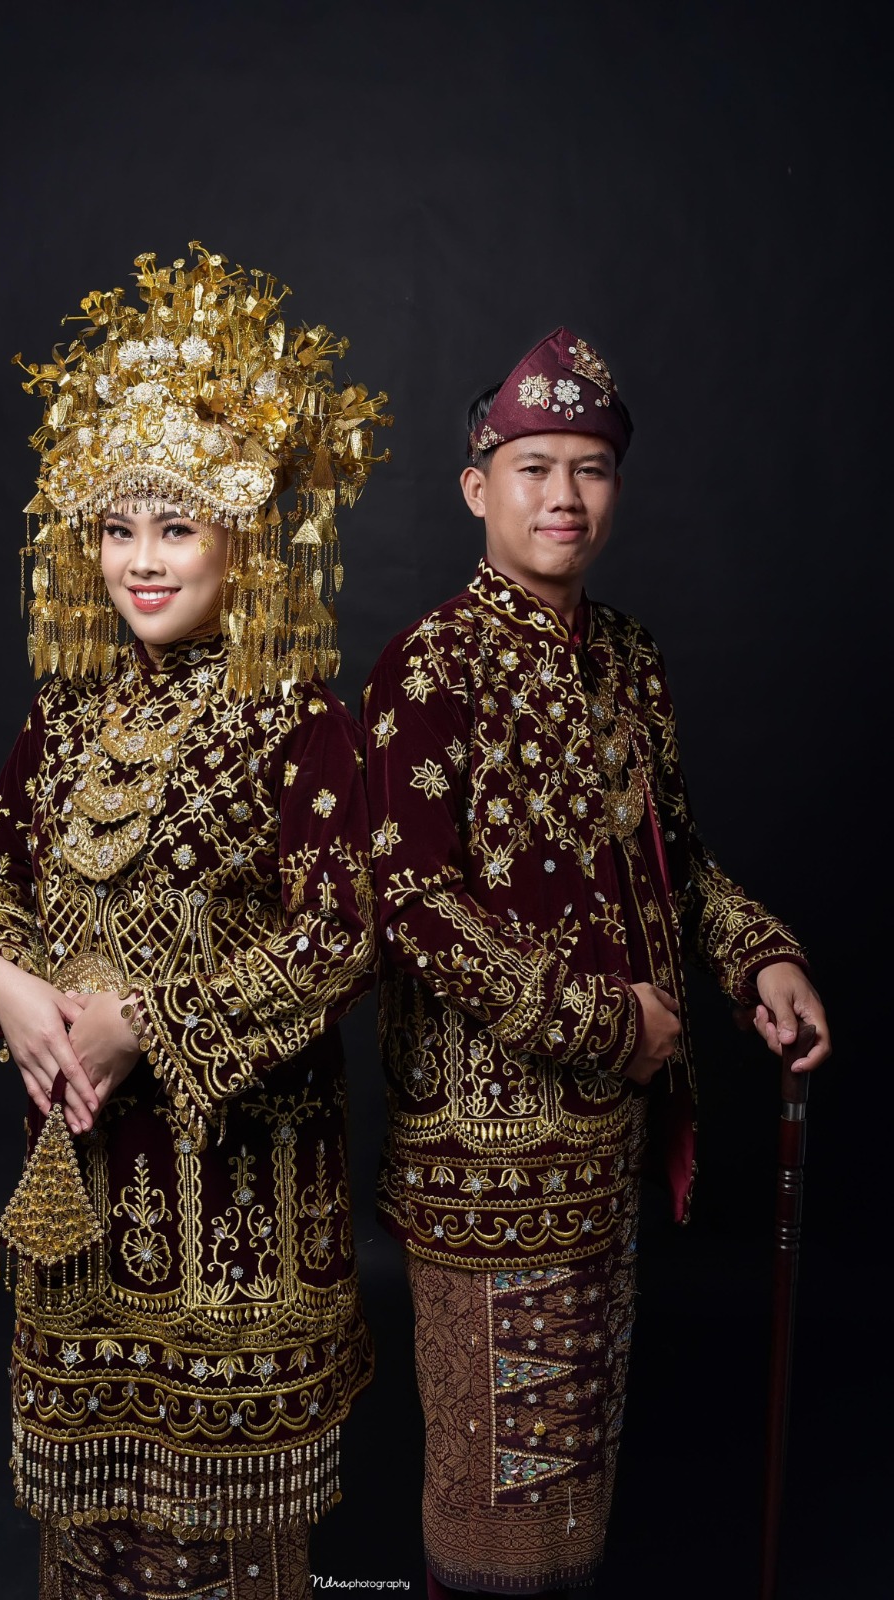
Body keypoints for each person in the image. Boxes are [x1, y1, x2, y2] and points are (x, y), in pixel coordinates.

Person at [361, 327, 830, 1597]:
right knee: (493, 1505)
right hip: (483, 1155)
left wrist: (758, 961)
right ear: (477, 487)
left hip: (606, 1148)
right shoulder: (427, 665)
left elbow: (674, 861)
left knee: (574, 1483)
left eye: (590, 468)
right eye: (533, 467)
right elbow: (411, 905)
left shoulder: (626, 659)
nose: (562, 495)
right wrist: (608, 1024)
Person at [0, 246, 389, 1600]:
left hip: (240, 1209)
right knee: (90, 1539)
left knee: (219, 1544)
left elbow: (341, 934)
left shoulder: (300, 722)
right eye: (116, 528)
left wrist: (145, 1021)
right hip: (82, 1190)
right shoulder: (66, 715)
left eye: (176, 527)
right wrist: (9, 984)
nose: (140, 563)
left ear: (241, 539)